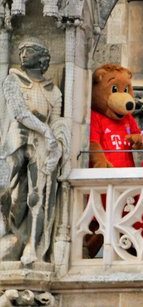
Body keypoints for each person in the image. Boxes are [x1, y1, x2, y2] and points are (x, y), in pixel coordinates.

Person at [0, 38, 69, 265]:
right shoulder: (12, 81)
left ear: (41, 57)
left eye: (28, 51)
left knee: (38, 197)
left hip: (41, 147)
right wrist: (46, 132)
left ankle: (32, 246)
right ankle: (6, 226)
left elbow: (58, 121)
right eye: (20, 51)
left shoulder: (54, 91)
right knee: (8, 190)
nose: (23, 55)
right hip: (16, 141)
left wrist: (56, 144)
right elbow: (20, 113)